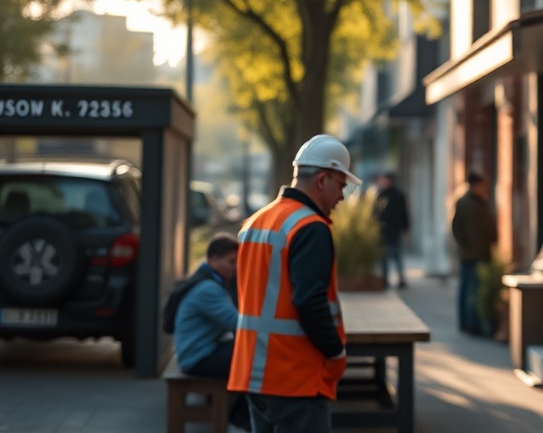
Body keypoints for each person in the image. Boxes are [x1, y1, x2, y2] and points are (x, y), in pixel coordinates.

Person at [229, 134, 361, 433]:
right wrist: (335, 351)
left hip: (253, 372)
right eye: (341, 185)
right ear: (322, 179)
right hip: (294, 377)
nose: (341, 196)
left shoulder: (255, 222)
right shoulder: (310, 228)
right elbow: (309, 302)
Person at [171, 232, 250, 431]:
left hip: (200, 350)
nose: (236, 267)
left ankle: (239, 415)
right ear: (214, 259)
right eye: (232, 262)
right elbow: (236, 323)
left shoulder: (208, 280)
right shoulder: (208, 289)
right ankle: (239, 417)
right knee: (253, 357)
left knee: (249, 352)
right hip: (197, 357)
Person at [450, 171, 497, 335]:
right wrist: (466, 245)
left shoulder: (480, 202)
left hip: (480, 252)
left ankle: (471, 323)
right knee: (470, 289)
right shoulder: (464, 203)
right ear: (474, 185)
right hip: (471, 253)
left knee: (471, 289)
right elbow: (456, 228)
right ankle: (470, 324)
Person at [374, 171, 409, 288]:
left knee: (396, 255)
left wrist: (405, 227)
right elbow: (375, 213)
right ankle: (385, 279)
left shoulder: (397, 195)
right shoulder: (380, 194)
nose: (382, 182)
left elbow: (404, 213)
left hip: (393, 230)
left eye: (384, 180)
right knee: (385, 257)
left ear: (389, 181)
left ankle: (400, 279)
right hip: (384, 231)